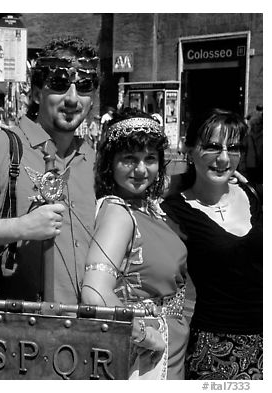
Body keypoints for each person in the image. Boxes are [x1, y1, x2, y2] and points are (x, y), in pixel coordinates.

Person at [0, 36, 99, 304]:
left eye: (84, 87)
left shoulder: (94, 158)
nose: (72, 98)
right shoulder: (0, 146)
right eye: (59, 85)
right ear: (37, 93)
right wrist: (22, 227)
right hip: (20, 326)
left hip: (87, 323)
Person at [81, 108, 189, 380]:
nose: (141, 169)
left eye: (150, 158)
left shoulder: (147, 207)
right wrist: (144, 335)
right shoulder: (119, 213)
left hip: (167, 346)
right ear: (111, 162)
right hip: (143, 357)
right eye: (129, 159)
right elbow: (94, 293)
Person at [161, 109, 262, 380]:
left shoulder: (255, 194)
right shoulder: (173, 209)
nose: (224, 158)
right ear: (189, 149)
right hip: (215, 349)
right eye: (213, 147)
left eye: (234, 148)